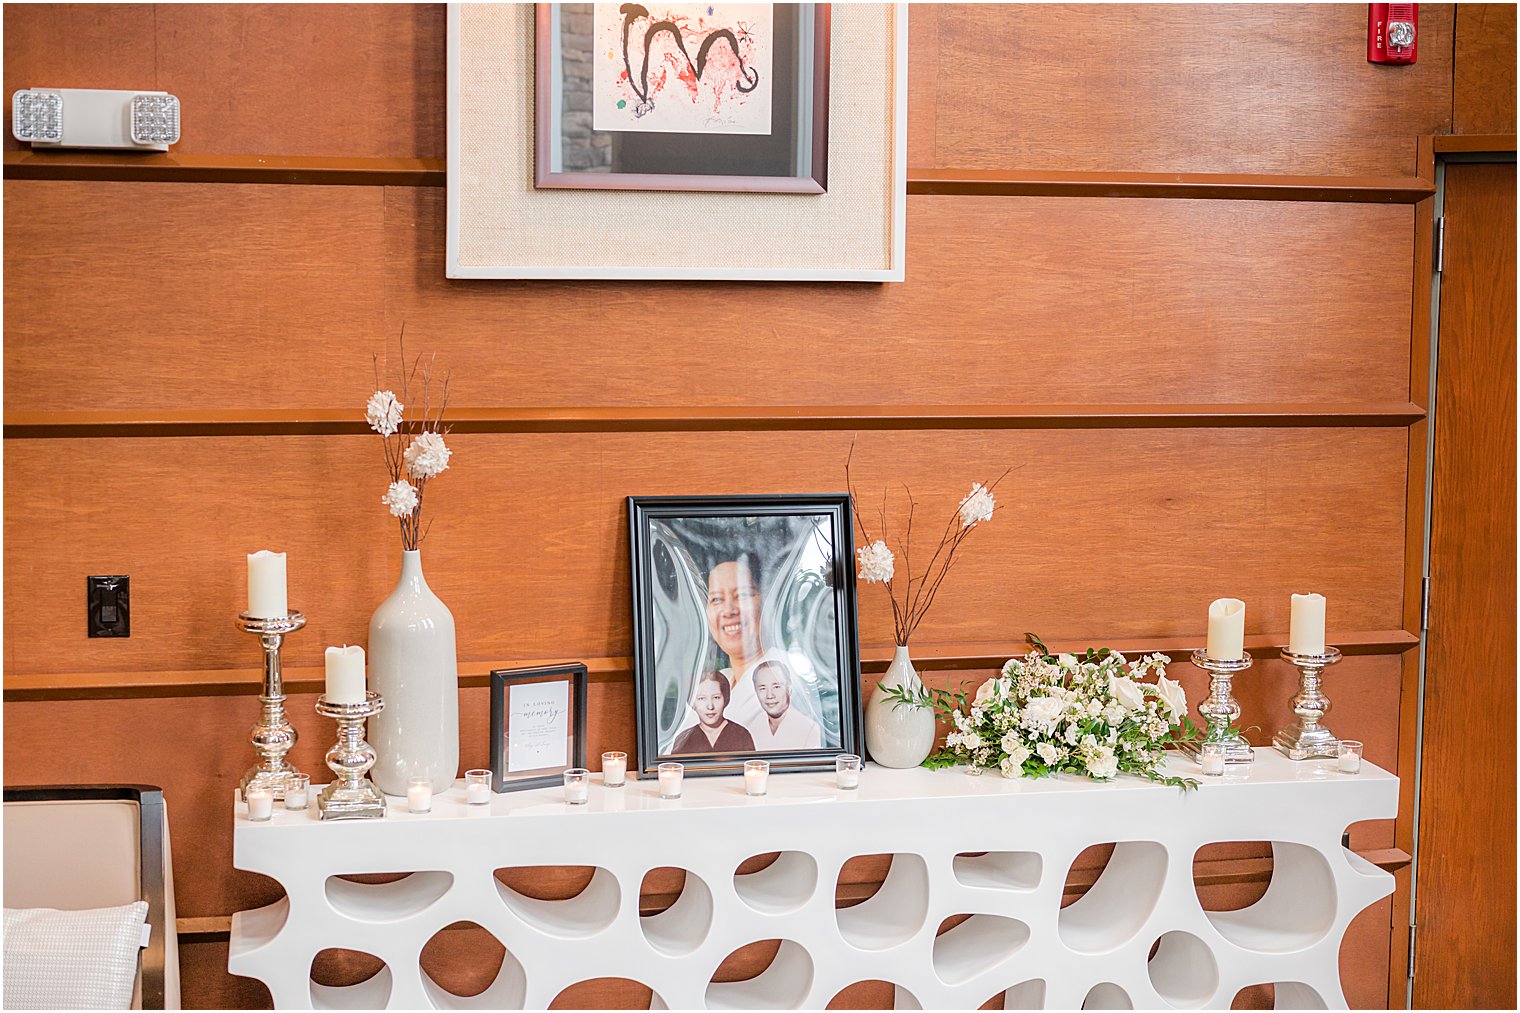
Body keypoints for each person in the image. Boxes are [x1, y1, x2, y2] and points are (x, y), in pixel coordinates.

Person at [670, 669, 756, 754]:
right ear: (692, 703)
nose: (710, 706)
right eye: (702, 698)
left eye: (716, 697)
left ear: (725, 699)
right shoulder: (683, 740)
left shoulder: (741, 735)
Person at [747, 659, 822, 750]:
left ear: (789, 689)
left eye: (776, 687)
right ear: (756, 692)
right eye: (762, 688)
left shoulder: (810, 729)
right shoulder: (751, 728)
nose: (770, 695)